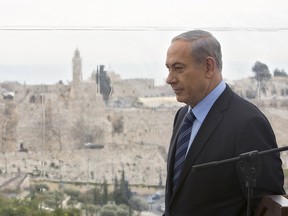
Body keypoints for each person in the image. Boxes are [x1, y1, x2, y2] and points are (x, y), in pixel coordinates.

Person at [164, 29, 285, 216]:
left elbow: (267, 207)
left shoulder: (247, 124)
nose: (169, 79)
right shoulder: (182, 117)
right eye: (168, 68)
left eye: (178, 68)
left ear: (208, 67)